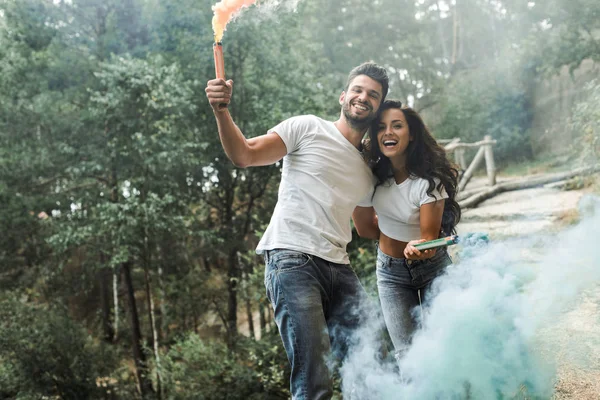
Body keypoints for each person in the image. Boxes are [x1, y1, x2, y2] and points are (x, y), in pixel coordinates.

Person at [205, 62, 389, 399]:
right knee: (314, 377)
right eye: (358, 90)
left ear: (377, 109)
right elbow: (244, 155)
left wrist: (416, 231)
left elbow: (365, 227)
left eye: (373, 95)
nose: (364, 97)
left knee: (370, 364)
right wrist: (221, 112)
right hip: (293, 259)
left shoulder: (367, 169)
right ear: (343, 96)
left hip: (340, 267)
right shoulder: (307, 128)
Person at [352, 100, 461, 367]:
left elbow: (430, 241)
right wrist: (394, 240)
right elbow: (365, 228)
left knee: (447, 346)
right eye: (381, 127)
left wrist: (419, 247)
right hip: (390, 274)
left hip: (433, 268)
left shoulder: (428, 182)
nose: (388, 132)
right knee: (408, 357)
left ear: (411, 134)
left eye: (397, 126)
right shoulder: (369, 178)